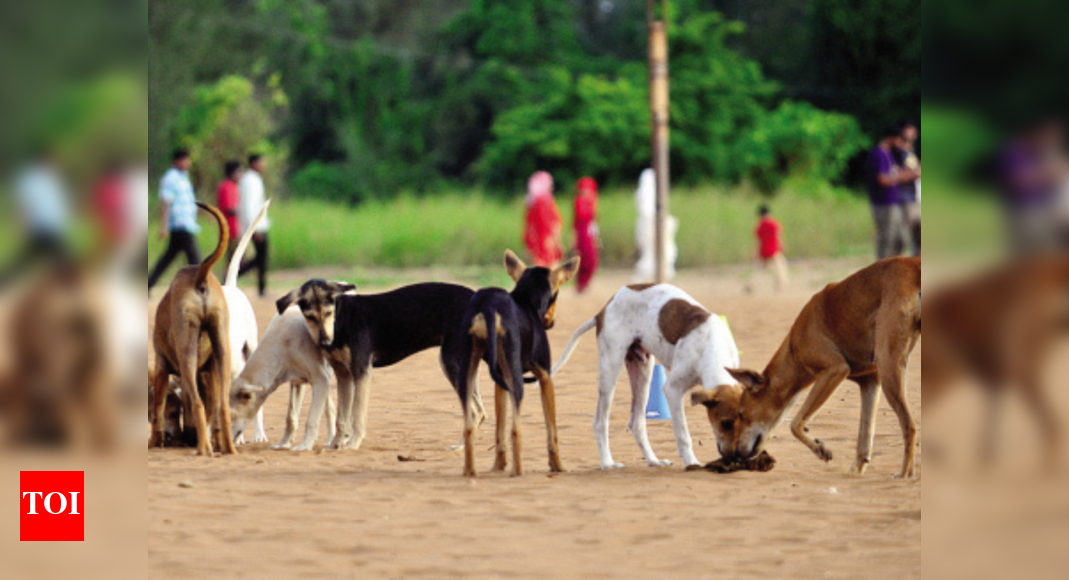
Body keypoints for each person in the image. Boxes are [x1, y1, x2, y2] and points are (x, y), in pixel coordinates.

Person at [0, 148, 71, 286]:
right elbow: (23, 202)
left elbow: (57, 204)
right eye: (53, 161)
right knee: (63, 260)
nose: (56, 165)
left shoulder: (52, 180)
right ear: (44, 161)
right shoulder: (31, 178)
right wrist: (19, 223)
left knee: (25, 261)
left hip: (53, 228)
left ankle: (3, 280)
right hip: (41, 227)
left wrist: (64, 222)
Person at [148, 149, 201, 292]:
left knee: (168, 258)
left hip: (187, 222)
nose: (187, 163)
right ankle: (200, 287)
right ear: (176, 161)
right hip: (179, 223)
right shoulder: (170, 178)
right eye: (184, 160)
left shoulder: (184, 178)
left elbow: (189, 201)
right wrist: (163, 226)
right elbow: (166, 203)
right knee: (194, 258)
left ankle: (148, 284)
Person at [866, 127, 919, 260]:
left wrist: (906, 174)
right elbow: (882, 179)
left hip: (892, 202)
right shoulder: (879, 153)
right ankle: (881, 268)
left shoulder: (888, 154)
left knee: (899, 238)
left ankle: (891, 266)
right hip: (883, 202)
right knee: (887, 238)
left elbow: (893, 172)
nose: (901, 143)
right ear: (891, 138)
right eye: (899, 139)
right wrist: (903, 177)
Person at [634, 168, 678, 281]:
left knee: (662, 251)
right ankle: (650, 273)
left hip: (653, 223)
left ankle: (661, 271)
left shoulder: (653, 191)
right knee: (650, 253)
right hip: (649, 223)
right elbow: (645, 209)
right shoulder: (646, 192)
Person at [238, 154, 271, 296]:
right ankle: (235, 275)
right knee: (260, 257)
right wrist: (255, 228)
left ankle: (262, 288)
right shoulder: (251, 180)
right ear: (254, 163)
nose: (263, 165)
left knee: (261, 257)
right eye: (261, 162)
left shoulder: (252, 179)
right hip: (257, 226)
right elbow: (249, 206)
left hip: (258, 224)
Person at [523, 171, 563, 267]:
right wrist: (554, 238)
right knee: (549, 263)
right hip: (545, 238)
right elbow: (548, 221)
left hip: (537, 239)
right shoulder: (544, 200)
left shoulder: (531, 201)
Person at [894, 121, 921, 256]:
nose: (913, 134)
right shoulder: (897, 152)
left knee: (921, 235)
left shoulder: (911, 151)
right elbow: (897, 174)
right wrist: (915, 173)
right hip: (905, 198)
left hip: (916, 196)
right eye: (910, 131)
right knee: (904, 236)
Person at [573, 177, 600, 293]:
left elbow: (593, 221)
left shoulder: (592, 201)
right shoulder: (580, 201)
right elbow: (576, 221)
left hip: (589, 233)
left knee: (591, 258)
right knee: (584, 258)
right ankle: (581, 283)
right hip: (582, 232)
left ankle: (585, 283)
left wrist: (597, 237)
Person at [753, 204, 788, 291]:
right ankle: (780, 286)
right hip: (774, 249)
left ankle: (751, 284)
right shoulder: (773, 223)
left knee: (761, 269)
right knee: (780, 268)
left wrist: (755, 252)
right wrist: (782, 245)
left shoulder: (760, 225)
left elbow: (758, 240)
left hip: (764, 250)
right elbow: (777, 236)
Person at [217, 160, 242, 261]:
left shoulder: (234, 186)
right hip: (230, 228)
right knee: (234, 258)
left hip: (234, 228)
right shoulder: (227, 187)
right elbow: (229, 208)